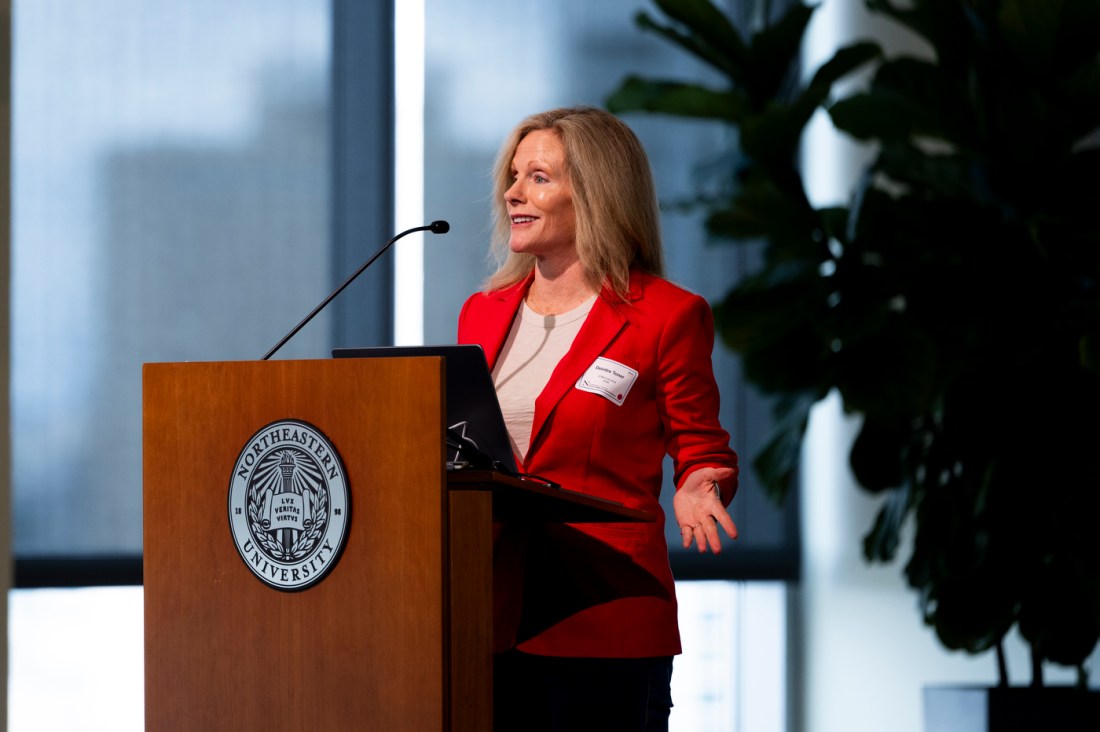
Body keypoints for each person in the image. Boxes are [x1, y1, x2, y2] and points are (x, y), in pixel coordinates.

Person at [457, 105, 739, 731]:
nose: (512, 192)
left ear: (594, 194)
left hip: (603, 613)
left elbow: (701, 445)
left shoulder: (667, 316)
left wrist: (702, 482)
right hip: (490, 610)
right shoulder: (481, 313)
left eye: (538, 176)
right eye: (512, 174)